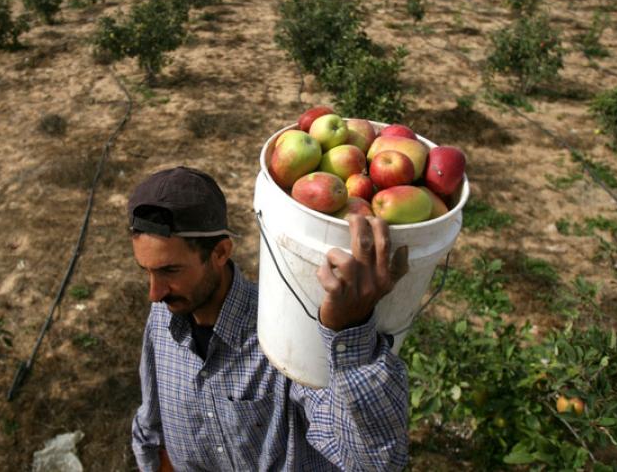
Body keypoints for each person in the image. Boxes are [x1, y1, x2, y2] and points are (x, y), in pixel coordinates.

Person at [129, 166, 410, 471]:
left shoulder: (283, 333)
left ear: (221, 252)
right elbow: (152, 426)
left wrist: (351, 333)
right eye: (147, 270)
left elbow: (372, 463)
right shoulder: (164, 315)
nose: (154, 293)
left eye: (170, 271)